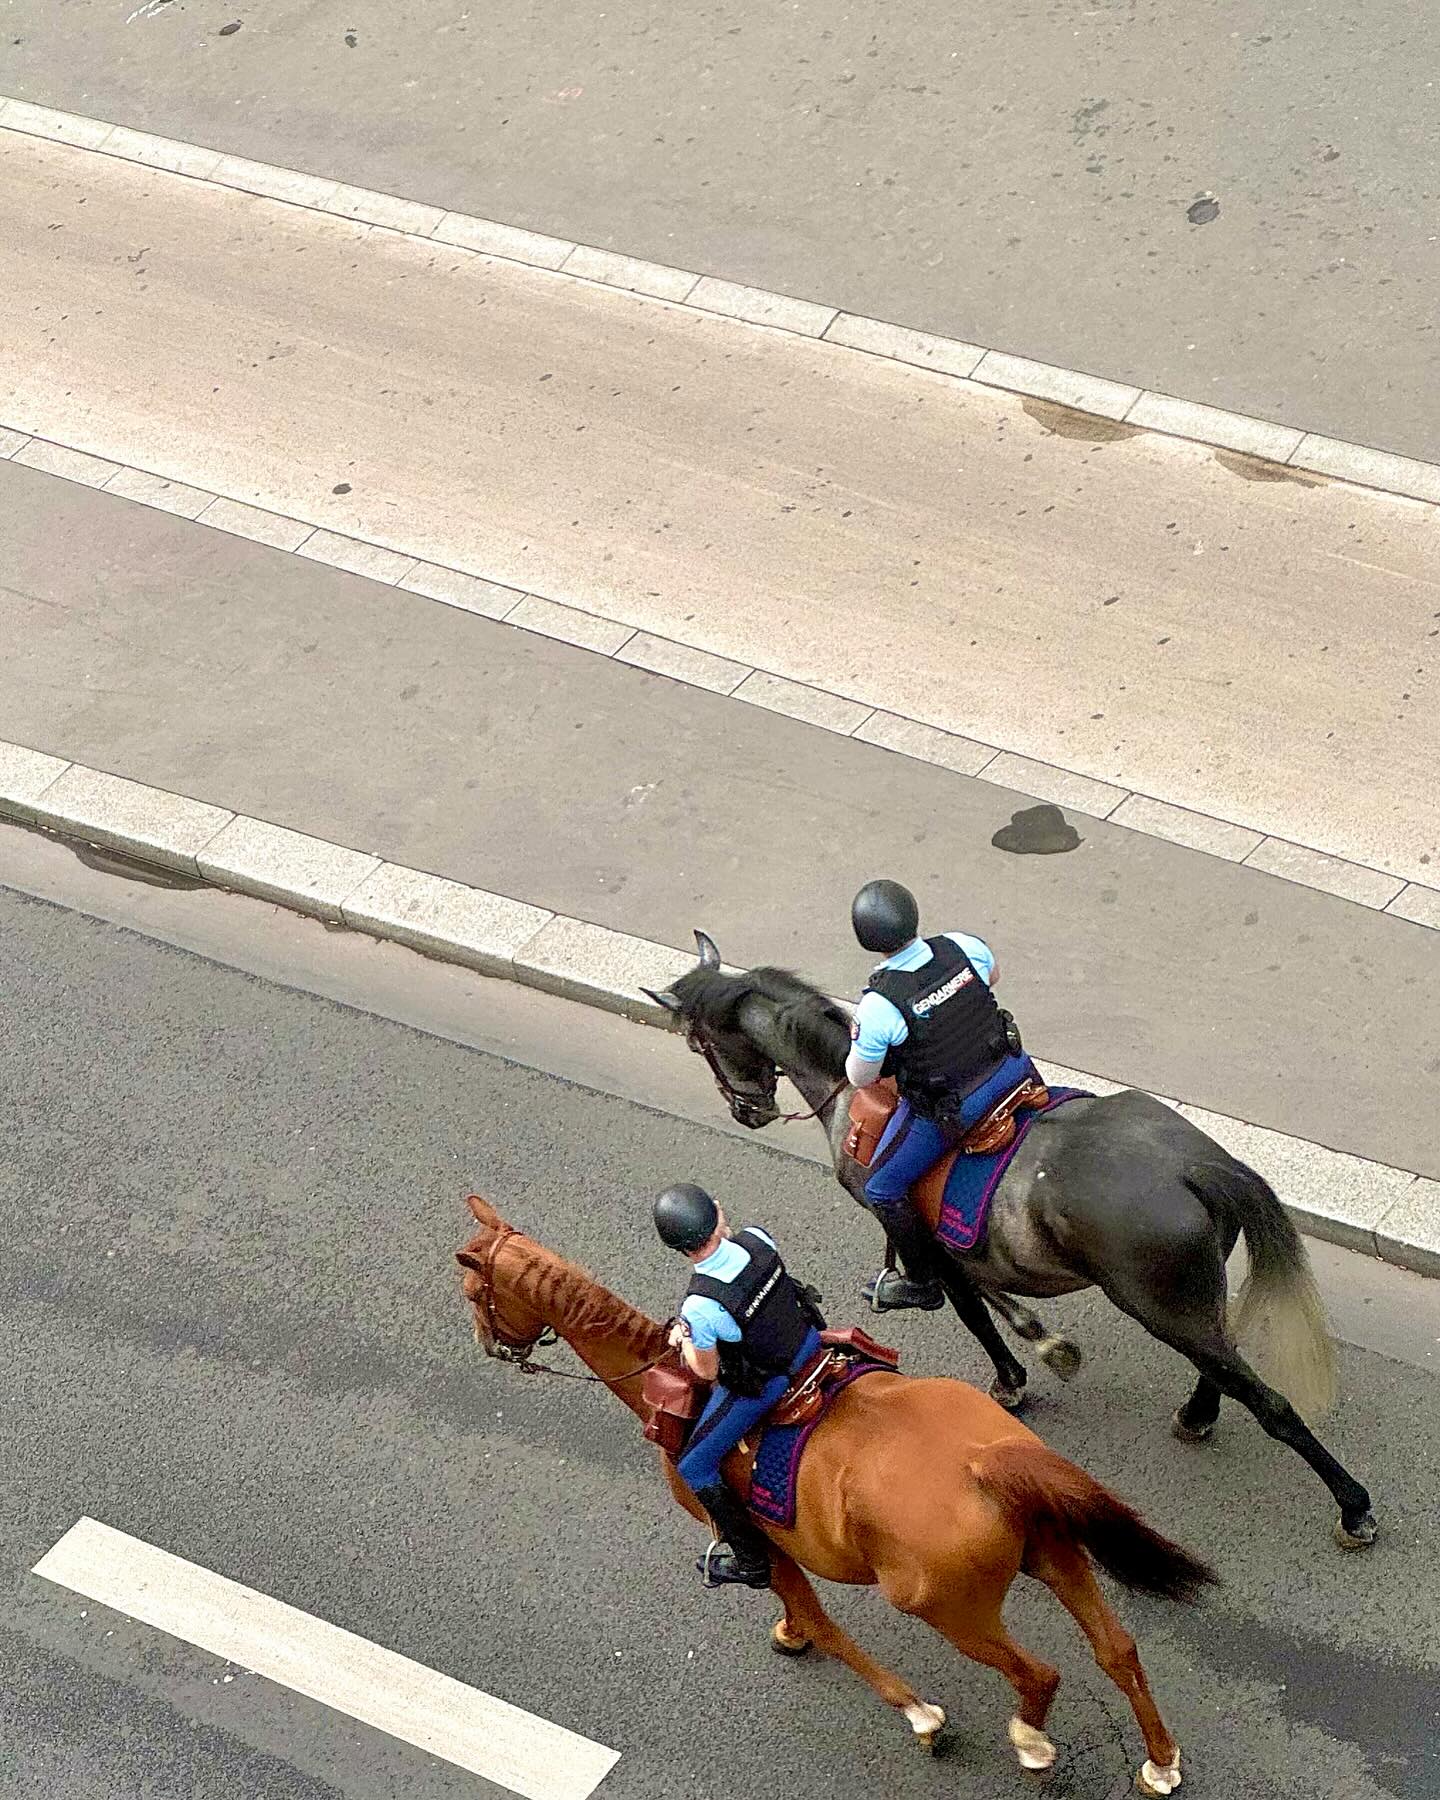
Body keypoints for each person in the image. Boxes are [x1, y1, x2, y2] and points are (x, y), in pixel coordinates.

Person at [845, 878, 1033, 1311]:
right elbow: (993, 977)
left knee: (882, 1188)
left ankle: (923, 1283)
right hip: (1015, 1071)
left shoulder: (879, 1006)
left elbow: (861, 1076)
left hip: (959, 1109)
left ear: (868, 941)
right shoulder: (961, 945)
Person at [655, 1183, 824, 1589]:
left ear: (679, 1249)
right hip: (809, 1343)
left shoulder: (699, 1306)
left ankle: (751, 1562)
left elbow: (708, 1372)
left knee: (694, 1465)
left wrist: (684, 1339)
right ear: (718, 1212)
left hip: (768, 1383)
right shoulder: (757, 1237)